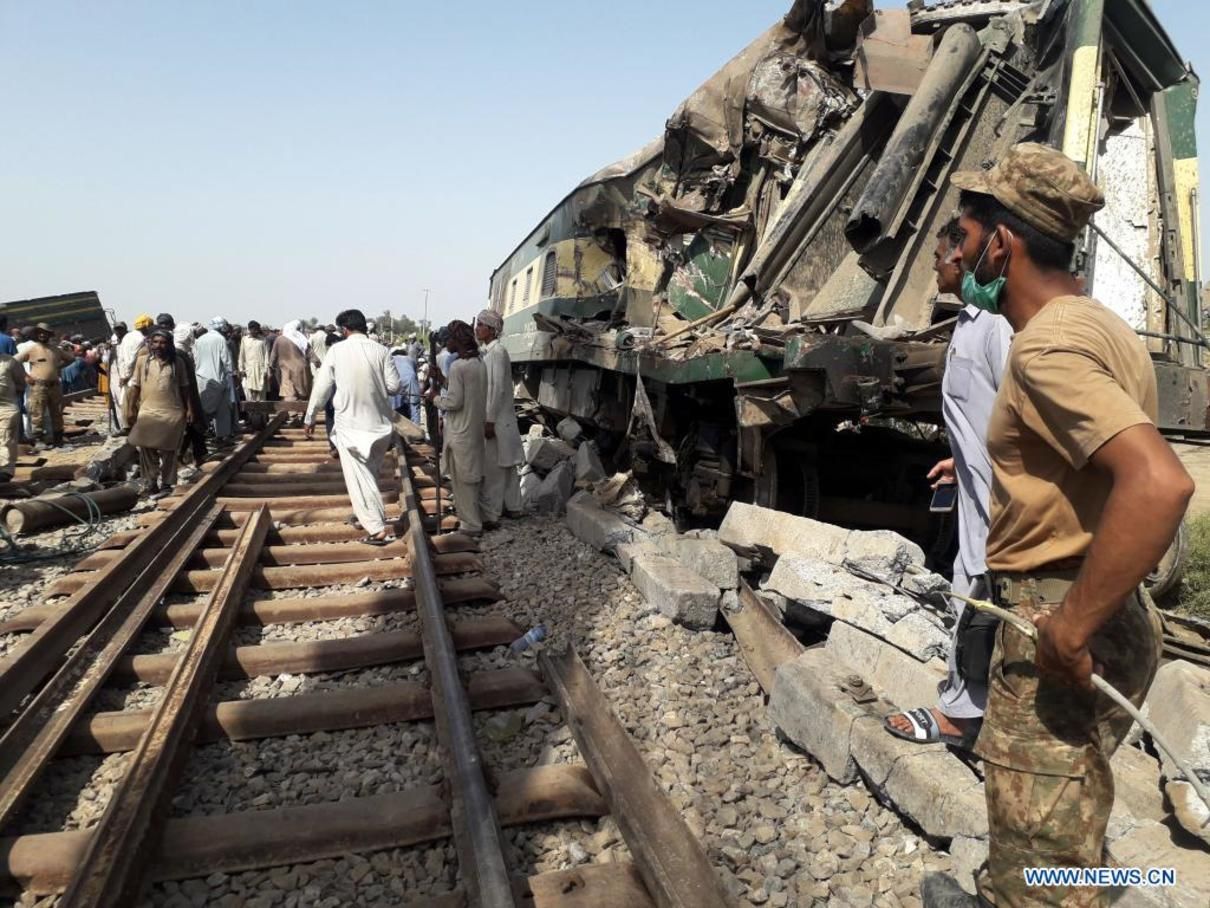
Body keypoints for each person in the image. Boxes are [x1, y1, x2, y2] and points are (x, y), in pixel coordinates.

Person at [920, 144, 1195, 908]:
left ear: (1001, 245)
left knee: (1035, 861)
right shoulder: (1097, 324)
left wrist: (1068, 630)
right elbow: (1080, 464)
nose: (961, 252)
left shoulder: (1042, 348)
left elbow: (1159, 481)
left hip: (1064, 610)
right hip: (1116, 608)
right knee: (1068, 822)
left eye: (968, 236)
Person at [885, 221, 1012, 748]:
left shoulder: (998, 330)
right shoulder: (967, 323)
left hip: (1003, 501)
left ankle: (962, 718)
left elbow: (1025, 417)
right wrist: (960, 465)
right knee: (971, 588)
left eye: (939, 256)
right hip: (976, 489)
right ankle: (976, 704)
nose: (934, 265)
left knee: (981, 601)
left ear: (962, 260)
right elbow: (982, 414)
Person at [304, 309, 401, 544]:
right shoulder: (381, 351)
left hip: (351, 426)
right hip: (379, 426)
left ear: (344, 330)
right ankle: (365, 515)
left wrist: (310, 416)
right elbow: (394, 386)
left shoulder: (337, 351)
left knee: (359, 479)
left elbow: (322, 387)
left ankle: (376, 529)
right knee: (369, 475)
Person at [427, 320, 486, 536]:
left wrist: (434, 398)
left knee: (463, 482)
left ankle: (470, 525)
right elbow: (462, 392)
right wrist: (442, 380)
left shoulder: (459, 366)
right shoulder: (478, 363)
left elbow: (453, 402)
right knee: (469, 479)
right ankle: (471, 521)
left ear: (457, 340)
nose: (446, 344)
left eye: (448, 339)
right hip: (473, 430)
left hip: (460, 432)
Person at [127, 327, 193, 497]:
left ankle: (167, 483)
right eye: (155, 342)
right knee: (146, 447)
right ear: (150, 343)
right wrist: (130, 407)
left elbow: (185, 387)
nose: (158, 345)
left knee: (169, 450)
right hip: (148, 410)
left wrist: (189, 409)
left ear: (169, 344)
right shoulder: (143, 361)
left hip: (172, 412)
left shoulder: (177, 363)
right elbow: (135, 386)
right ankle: (150, 481)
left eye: (163, 342)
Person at [475, 309, 524, 527]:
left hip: (496, 419)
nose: (477, 329)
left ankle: (492, 513)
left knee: (494, 468)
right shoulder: (490, 352)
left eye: (481, 325)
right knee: (507, 466)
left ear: (492, 330)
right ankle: (514, 507)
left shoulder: (496, 353)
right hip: (501, 419)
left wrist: (489, 420)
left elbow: (496, 389)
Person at [15, 323, 74, 447]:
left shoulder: (55, 349)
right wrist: (26, 376)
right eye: (39, 332)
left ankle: (58, 439)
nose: (42, 334)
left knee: (57, 413)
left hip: (54, 386)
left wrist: (57, 368)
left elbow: (71, 359)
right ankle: (39, 440)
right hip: (38, 386)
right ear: (36, 334)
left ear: (49, 334)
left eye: (44, 332)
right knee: (38, 413)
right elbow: (14, 362)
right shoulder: (32, 348)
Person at [194, 317, 236, 443]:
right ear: (222, 327)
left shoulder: (200, 339)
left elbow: (196, 359)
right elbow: (226, 361)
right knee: (222, 410)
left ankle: (206, 436)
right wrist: (233, 375)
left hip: (202, 379)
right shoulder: (220, 339)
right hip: (219, 379)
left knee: (205, 409)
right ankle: (219, 436)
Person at [173, 324, 208, 466]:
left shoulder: (182, 352)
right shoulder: (178, 354)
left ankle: (193, 456)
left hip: (189, 396)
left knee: (193, 427)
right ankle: (182, 456)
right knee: (191, 427)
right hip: (186, 397)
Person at [271, 319, 313, 424]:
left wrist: (271, 367)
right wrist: (318, 363)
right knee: (304, 393)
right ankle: (304, 415)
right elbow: (310, 353)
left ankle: (293, 416)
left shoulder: (279, 339)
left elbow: (273, 355)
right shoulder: (302, 338)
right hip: (303, 368)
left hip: (287, 370)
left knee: (290, 393)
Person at [115, 315, 152, 432]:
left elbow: (120, 358)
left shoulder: (127, 337)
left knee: (127, 403)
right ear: (146, 326)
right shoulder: (140, 339)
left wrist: (122, 375)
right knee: (135, 406)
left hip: (126, 375)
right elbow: (132, 359)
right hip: (133, 376)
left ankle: (129, 429)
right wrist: (126, 376)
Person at [0, 345, 24, 482]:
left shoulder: (10, 362)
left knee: (5, 439)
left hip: (7, 408)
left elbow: (21, 383)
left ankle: (5, 471)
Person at [239, 321, 271, 402]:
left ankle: (262, 414)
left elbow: (266, 356)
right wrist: (241, 369)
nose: (256, 331)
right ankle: (251, 414)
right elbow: (241, 356)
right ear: (250, 329)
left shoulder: (263, 340)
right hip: (248, 371)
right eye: (254, 329)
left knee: (261, 395)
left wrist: (266, 370)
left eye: (257, 329)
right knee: (249, 394)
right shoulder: (245, 340)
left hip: (260, 370)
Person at [390, 345, 421, 423]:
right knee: (415, 406)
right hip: (410, 378)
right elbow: (415, 374)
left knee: (394, 404)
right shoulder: (410, 359)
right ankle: (415, 429)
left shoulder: (391, 359)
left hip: (396, 378)